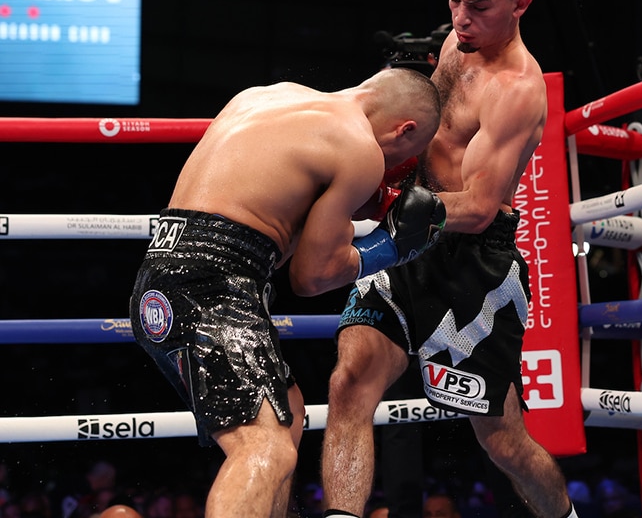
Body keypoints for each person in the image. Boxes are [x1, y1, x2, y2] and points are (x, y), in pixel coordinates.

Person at [321, 0, 576, 518]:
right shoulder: (454, 47)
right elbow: (421, 134)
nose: (461, 18)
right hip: (411, 240)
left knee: (502, 440)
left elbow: (481, 204)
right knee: (349, 383)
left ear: (520, 3)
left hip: (473, 262)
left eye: (479, 5)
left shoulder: (517, 90)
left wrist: (389, 223)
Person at [129, 67, 445, 518]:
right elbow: (311, 277)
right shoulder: (359, 147)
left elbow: (262, 206)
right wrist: (389, 248)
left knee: (288, 413)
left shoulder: (266, 95)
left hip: (165, 273)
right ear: (405, 130)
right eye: (404, 154)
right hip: (214, 286)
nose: (392, 167)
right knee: (265, 449)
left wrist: (371, 201)